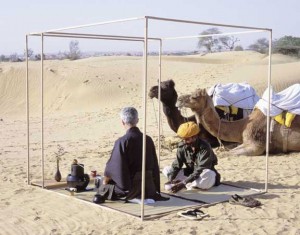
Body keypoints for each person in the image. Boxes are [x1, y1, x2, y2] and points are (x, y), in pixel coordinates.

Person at [100, 107, 167, 201]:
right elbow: (154, 165)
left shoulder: (122, 141)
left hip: (132, 188)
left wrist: (107, 177)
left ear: (122, 122)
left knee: (102, 186)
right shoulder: (148, 139)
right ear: (138, 120)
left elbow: (114, 168)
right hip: (149, 187)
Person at [162, 121, 221, 193]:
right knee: (167, 170)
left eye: (187, 139)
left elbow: (200, 169)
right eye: (183, 139)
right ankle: (189, 183)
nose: (184, 142)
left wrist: (184, 183)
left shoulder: (205, 147)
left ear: (195, 137)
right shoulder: (182, 146)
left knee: (208, 175)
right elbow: (177, 165)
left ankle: (187, 183)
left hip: (202, 175)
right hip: (190, 173)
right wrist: (170, 180)